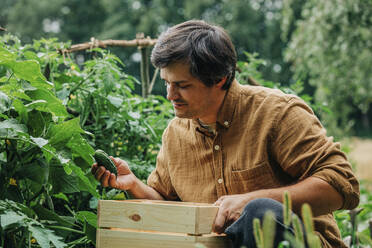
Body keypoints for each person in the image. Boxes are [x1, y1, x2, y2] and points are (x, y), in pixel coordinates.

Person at [91, 20, 359, 247]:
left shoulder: (277, 114)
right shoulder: (175, 134)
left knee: (259, 212)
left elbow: (341, 185)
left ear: (219, 79)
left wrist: (250, 200)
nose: (170, 95)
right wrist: (134, 185)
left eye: (182, 85)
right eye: (166, 83)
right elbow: (168, 206)